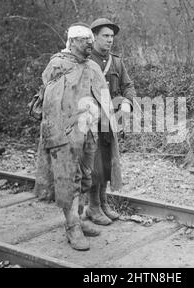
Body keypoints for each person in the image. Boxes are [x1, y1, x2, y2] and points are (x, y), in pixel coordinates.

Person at [34, 22, 122, 251]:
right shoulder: (58, 65)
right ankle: (72, 226)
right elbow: (51, 102)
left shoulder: (91, 66)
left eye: (90, 41)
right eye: (85, 41)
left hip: (90, 132)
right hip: (65, 135)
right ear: (72, 41)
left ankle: (81, 218)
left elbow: (102, 97)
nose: (90, 44)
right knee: (67, 178)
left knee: (86, 177)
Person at [84, 18, 136, 225]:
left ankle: (103, 203)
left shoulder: (116, 62)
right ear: (94, 37)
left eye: (112, 36)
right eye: (105, 36)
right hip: (90, 120)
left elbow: (128, 85)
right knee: (94, 165)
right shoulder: (86, 62)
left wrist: (126, 103)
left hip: (111, 121)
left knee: (107, 162)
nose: (109, 40)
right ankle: (93, 207)